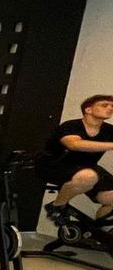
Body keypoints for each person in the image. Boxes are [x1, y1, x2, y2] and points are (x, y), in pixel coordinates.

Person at [39, 94, 113, 222]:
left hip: (87, 167)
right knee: (88, 176)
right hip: (55, 165)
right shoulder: (71, 126)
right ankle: (57, 206)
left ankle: (95, 230)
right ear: (88, 109)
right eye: (104, 105)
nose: (110, 108)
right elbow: (74, 144)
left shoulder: (109, 130)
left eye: (112, 106)